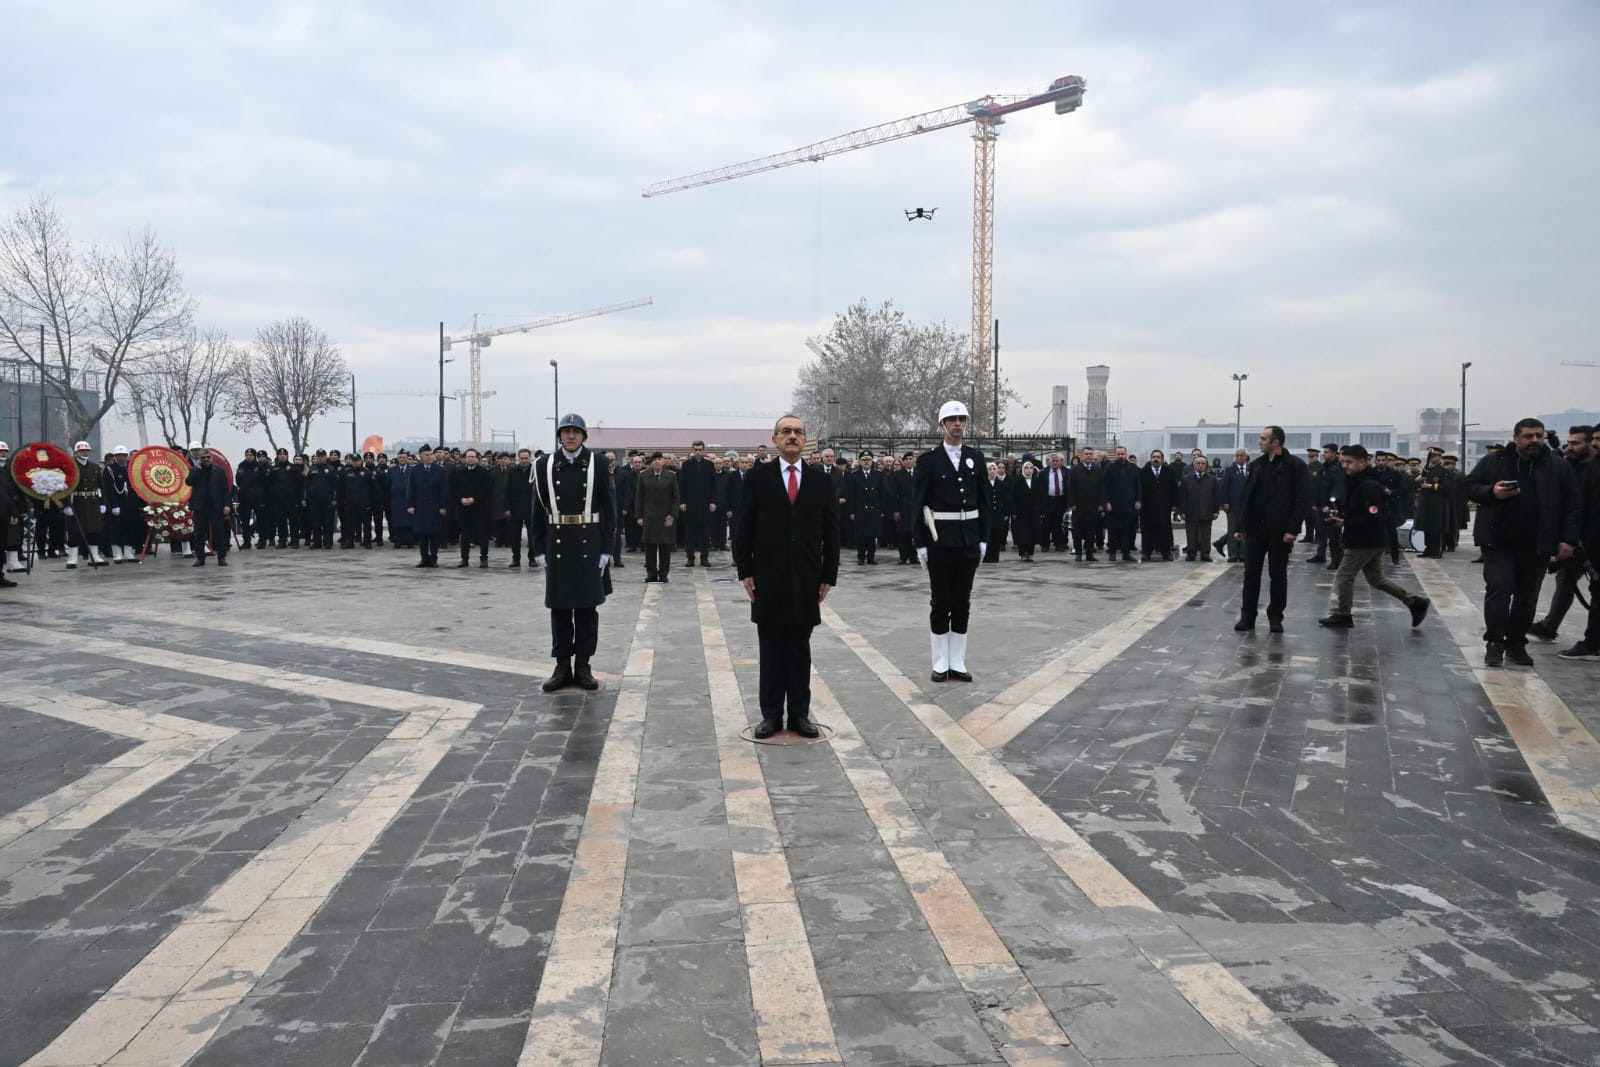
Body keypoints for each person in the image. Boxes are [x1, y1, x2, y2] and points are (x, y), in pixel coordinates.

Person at [734, 415, 839, 739]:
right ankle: (770, 716)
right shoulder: (758, 477)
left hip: (806, 577)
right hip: (768, 577)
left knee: (799, 649)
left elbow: (831, 531)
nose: (792, 436)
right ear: (775, 439)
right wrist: (745, 571)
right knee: (770, 649)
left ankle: (798, 715)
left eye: (798, 432)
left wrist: (828, 575)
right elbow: (743, 527)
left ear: (805, 439)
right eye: (786, 431)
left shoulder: (819, 480)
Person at [1462, 418, 1581, 667]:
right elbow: (1468, 487)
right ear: (1516, 438)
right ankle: (1495, 642)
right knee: (1499, 589)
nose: (1534, 440)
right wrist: (1491, 492)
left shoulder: (1557, 466)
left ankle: (1516, 643)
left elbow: (1572, 505)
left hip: (1537, 544)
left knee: (1527, 597)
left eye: (1538, 435)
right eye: (1528, 436)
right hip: (1499, 542)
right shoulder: (1495, 461)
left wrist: (1567, 540)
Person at [530, 413, 615, 692]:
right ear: (559, 436)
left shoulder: (598, 464)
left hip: (589, 545)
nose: (570, 436)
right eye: (565, 431)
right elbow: (537, 511)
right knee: (560, 610)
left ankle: (584, 666)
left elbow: (610, 510)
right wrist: (538, 549)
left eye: (575, 432)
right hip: (557, 545)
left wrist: (607, 550)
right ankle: (562, 666)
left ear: (583, 436)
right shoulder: (543, 465)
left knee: (587, 610)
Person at [913, 400, 989, 682]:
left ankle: (957, 660)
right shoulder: (928, 461)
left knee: (962, 601)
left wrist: (984, 538)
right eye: (952, 420)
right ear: (942, 424)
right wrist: (920, 543)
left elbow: (984, 502)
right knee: (940, 601)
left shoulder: (976, 458)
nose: (958, 424)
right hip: (940, 541)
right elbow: (918, 504)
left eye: (962, 419)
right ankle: (940, 661)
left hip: (968, 540)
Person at [1318, 445, 1430, 629]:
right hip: (1370, 539)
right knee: (1376, 579)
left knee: (1344, 577)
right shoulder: (1357, 480)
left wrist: (1345, 522)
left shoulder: (1368, 485)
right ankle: (1415, 602)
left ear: (1363, 462)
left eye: (1349, 462)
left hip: (1364, 540)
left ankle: (1343, 615)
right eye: (1343, 462)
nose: (1345, 466)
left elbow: (1372, 516)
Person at [1235, 426, 1310, 634]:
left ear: (1275, 442)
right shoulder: (1256, 465)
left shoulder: (1295, 466)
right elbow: (1247, 497)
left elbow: (1302, 499)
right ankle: (1247, 616)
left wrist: (1293, 529)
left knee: (1277, 574)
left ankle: (1275, 617)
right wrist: (1241, 526)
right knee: (1251, 574)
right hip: (1255, 529)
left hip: (1280, 531)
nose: (1259, 442)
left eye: (1263, 438)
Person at [1529, 426, 1595, 642]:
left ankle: (1588, 640)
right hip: (1576, 538)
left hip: (1590, 538)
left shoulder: (1594, 470)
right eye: (1569, 443)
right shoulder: (1571, 466)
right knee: (1566, 579)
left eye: (1576, 443)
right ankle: (1550, 626)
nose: (1570, 447)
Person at [635, 451, 679, 583]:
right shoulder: (643, 476)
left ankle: (664, 574)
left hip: (665, 517)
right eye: (655, 459)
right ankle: (651, 574)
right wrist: (639, 516)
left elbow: (675, 498)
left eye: (660, 459)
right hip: (649, 517)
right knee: (650, 548)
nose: (657, 461)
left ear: (663, 461)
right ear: (651, 462)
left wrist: (673, 515)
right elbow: (639, 497)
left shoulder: (671, 476)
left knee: (665, 549)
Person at [184, 448, 232, 567]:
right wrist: (198, 469)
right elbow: (188, 482)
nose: (206, 459)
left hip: (216, 506)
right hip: (200, 507)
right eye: (203, 458)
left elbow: (225, 489)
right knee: (200, 534)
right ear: (199, 459)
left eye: (208, 457)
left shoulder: (219, 471)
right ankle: (200, 558)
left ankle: (221, 557)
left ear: (211, 458)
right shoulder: (194, 470)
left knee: (219, 533)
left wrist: (227, 504)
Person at [406, 445, 448, 568]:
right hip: (420, 507)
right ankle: (424, 558)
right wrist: (410, 505)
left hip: (435, 507)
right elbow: (411, 489)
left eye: (431, 454)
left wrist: (443, 506)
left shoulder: (440, 470)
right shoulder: (415, 470)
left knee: (434, 534)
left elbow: (444, 490)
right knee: (422, 534)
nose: (430, 457)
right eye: (427, 455)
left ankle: (434, 558)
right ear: (421, 456)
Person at [678, 440, 717, 567]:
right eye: (695, 449)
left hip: (705, 504)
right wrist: (682, 501)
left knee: (705, 533)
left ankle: (704, 558)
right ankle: (690, 558)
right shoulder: (686, 465)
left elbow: (713, 485)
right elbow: (682, 485)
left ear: (703, 450)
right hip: (690, 504)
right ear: (692, 450)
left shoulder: (709, 465)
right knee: (690, 533)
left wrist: (713, 501)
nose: (698, 452)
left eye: (700, 449)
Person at [1306, 443, 1346, 569]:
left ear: (1334, 453)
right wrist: (1315, 503)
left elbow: (1337, 490)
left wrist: (1330, 504)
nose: (1324, 454)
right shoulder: (1323, 468)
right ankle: (1320, 555)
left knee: (1334, 536)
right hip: (1321, 505)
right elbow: (1317, 487)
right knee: (1320, 532)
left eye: (1327, 452)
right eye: (1324, 452)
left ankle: (1336, 559)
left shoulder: (1338, 469)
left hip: (1332, 507)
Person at [451, 448, 493, 568]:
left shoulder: (484, 472)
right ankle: (464, 559)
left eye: (472, 456)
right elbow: (454, 489)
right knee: (465, 536)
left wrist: (474, 499)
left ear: (477, 458)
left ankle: (484, 558)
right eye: (468, 456)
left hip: (480, 509)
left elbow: (486, 490)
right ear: (465, 459)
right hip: (464, 509)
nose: (470, 458)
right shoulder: (459, 472)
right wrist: (461, 499)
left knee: (482, 536)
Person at [1178, 453, 1221, 561]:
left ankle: (1205, 554)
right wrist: (1182, 511)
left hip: (1207, 511)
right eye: (1198, 463)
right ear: (1194, 464)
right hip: (1191, 512)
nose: (1201, 465)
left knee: (1206, 536)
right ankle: (1191, 554)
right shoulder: (1186, 479)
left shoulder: (1212, 479)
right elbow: (1182, 497)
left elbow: (1216, 496)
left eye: (1203, 463)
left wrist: (1216, 511)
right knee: (1191, 535)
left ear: (1206, 465)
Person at [101, 445, 141, 562]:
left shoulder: (131, 468)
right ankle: (117, 554)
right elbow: (108, 488)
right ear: (115, 457)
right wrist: (113, 505)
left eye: (124, 455)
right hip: (117, 504)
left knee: (130, 528)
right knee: (116, 529)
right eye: (118, 455)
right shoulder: (109, 470)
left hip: (130, 503)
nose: (121, 458)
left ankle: (128, 553)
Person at [843, 450, 884, 565]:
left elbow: (882, 494)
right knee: (860, 535)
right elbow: (851, 495)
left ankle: (871, 557)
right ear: (860, 462)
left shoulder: (878, 475)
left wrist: (881, 510)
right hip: (860, 509)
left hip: (874, 509)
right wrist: (852, 512)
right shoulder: (854, 475)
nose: (866, 462)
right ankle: (861, 557)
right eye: (864, 460)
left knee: (872, 535)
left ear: (872, 461)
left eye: (869, 460)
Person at [1138, 449, 1177, 562]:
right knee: (1147, 531)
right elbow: (1139, 489)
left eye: (1158, 457)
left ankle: (1166, 553)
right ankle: (1146, 552)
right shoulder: (1143, 472)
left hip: (1164, 507)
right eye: (1154, 457)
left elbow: (1174, 489)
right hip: (1147, 507)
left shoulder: (1169, 472)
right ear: (1151, 459)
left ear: (1162, 459)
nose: (1156, 459)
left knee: (1165, 530)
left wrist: (1175, 504)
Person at [1104, 446, 1141, 562]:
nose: (1120, 456)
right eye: (1118, 454)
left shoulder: (1133, 468)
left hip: (1128, 505)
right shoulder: (1109, 468)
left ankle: (1126, 553)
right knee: (1113, 531)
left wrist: (1138, 500)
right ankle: (1112, 553)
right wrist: (1107, 502)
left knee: (1127, 531)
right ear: (1115, 455)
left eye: (1122, 454)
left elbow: (1137, 485)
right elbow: (1105, 487)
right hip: (1113, 505)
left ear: (1126, 454)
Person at [1415, 448, 1453, 558]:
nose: (1431, 458)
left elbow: (1447, 487)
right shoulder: (1427, 470)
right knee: (1427, 527)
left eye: (1434, 456)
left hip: (1437, 504)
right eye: (1430, 456)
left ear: (1439, 457)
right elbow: (1420, 484)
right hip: (1426, 503)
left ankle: (1437, 550)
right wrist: (1419, 482)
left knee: (1436, 528)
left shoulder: (1443, 471)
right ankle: (1428, 549)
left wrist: (1430, 486)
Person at [1069, 448, 1105, 561]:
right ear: (1082, 456)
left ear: (1093, 456)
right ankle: (1078, 553)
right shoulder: (1075, 469)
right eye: (1086, 454)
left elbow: (1102, 488)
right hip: (1078, 506)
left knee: (1091, 531)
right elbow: (1070, 488)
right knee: (1077, 532)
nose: (1088, 456)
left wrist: (1101, 504)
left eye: (1090, 454)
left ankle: (1089, 554)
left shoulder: (1097, 469)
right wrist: (1072, 503)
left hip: (1093, 506)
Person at [1216, 447, 1249, 562]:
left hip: (1247, 507)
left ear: (1246, 457)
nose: (1239, 458)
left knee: (1245, 530)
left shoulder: (1251, 469)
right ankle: (1233, 554)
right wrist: (1225, 502)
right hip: (1233, 505)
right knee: (1232, 531)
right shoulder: (1230, 470)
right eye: (1237, 456)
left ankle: (1243, 554)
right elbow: (1224, 487)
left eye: (1242, 456)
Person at [1009, 460, 1042, 561]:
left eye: (1031, 468)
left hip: (1033, 512)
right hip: (1021, 512)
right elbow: (1012, 497)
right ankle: (1023, 553)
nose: (1029, 470)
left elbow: (1040, 497)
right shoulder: (1017, 481)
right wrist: (1013, 511)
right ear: (1023, 469)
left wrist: (1041, 511)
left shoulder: (1036, 481)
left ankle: (1030, 553)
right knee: (1022, 533)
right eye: (1027, 468)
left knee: (1032, 533)